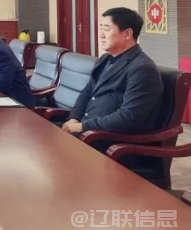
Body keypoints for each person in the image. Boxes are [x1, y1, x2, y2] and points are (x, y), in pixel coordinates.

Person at [62, 7, 163, 136]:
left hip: (107, 138)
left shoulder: (142, 69)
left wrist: (82, 126)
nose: (101, 35)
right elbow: (87, 92)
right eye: (101, 28)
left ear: (127, 34)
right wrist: (74, 118)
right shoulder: (105, 59)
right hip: (88, 130)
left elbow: (128, 117)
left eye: (106, 29)